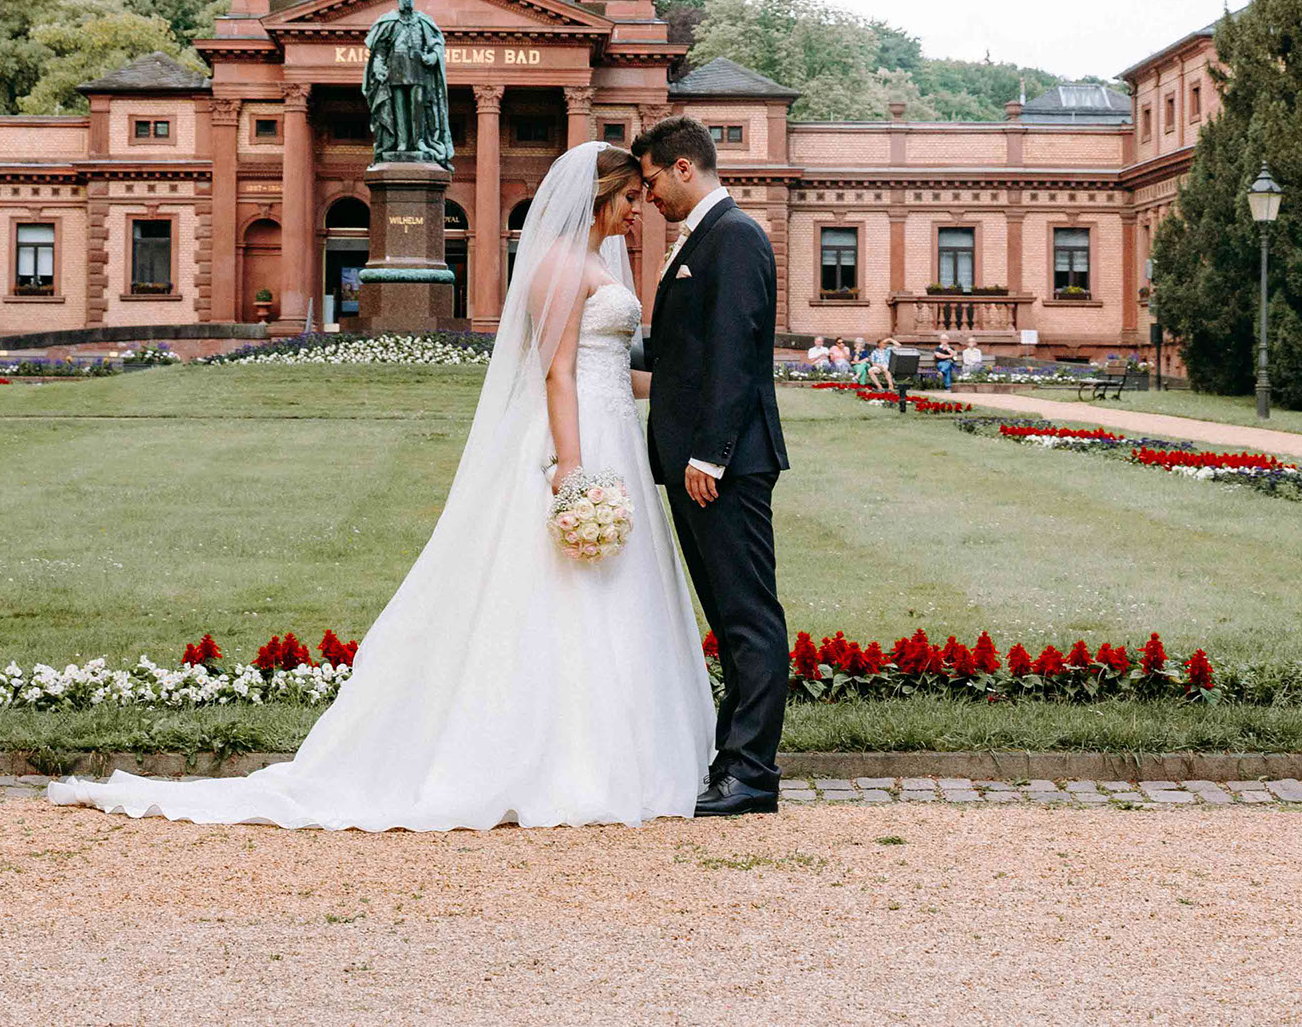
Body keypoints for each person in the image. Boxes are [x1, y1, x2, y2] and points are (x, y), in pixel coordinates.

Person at [48, 142, 709, 830]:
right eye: (631, 199)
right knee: (559, 588)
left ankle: (612, 748)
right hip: (578, 440)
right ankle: (562, 761)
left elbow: (607, 370)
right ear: (601, 197)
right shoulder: (558, 267)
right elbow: (558, 373)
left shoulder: (597, 263)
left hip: (613, 435)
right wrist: (572, 467)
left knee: (617, 590)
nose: (640, 212)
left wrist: (693, 391)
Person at [635, 114, 791, 818]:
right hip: (693, 463)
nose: (648, 197)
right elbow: (683, 352)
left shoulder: (737, 237)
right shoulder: (701, 239)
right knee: (728, 621)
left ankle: (752, 774)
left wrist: (711, 454)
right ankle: (734, 760)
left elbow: (735, 351)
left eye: (651, 181)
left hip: (722, 465)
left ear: (683, 168)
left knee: (749, 616)